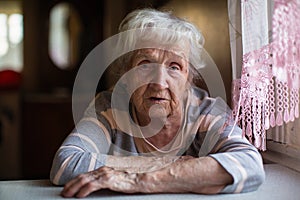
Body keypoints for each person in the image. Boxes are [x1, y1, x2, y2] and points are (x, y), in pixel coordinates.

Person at [50, 8, 265, 198]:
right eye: (144, 64)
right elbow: (66, 164)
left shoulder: (207, 112)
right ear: (126, 74)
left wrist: (140, 180)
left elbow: (249, 164)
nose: (160, 83)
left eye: (174, 67)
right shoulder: (109, 108)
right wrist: (173, 165)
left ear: (188, 77)